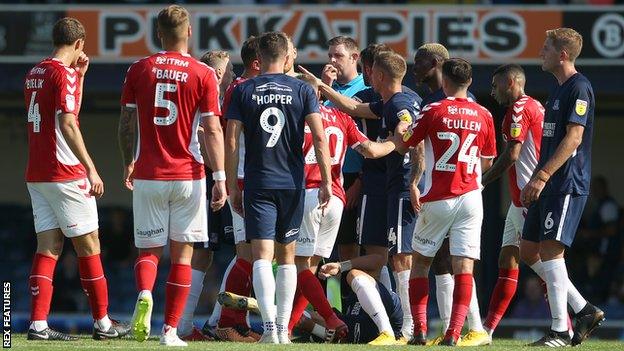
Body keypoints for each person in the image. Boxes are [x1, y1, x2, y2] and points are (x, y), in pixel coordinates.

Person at [118, 5, 226, 346]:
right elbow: (211, 129)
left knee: (148, 252)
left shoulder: (139, 69)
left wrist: (127, 162)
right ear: (189, 32)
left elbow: (125, 122)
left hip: (148, 172)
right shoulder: (204, 73)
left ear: (158, 33)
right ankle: (169, 331)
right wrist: (220, 176)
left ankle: (145, 294)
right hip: (189, 175)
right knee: (183, 254)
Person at [300, 51, 422, 342]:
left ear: (378, 75)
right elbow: (355, 109)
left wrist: (396, 145)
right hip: (365, 190)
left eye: (371, 72)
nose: (368, 77)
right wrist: (324, 85)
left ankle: (407, 328)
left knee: (402, 258)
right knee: (386, 258)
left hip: (392, 185)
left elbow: (407, 139)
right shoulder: (388, 102)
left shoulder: (400, 104)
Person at [24, 17, 129, 342]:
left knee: (49, 247)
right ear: (80, 44)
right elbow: (69, 123)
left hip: (38, 174)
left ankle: (38, 325)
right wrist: (90, 168)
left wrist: (81, 77)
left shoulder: (35, 73)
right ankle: (103, 323)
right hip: (65, 173)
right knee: (90, 245)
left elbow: (67, 112)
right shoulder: (61, 74)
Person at [224, 31, 332, 344]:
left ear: (259, 55)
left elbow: (232, 140)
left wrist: (232, 186)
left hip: (258, 182)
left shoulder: (243, 90)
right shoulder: (302, 89)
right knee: (287, 258)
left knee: (260, 256)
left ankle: (270, 328)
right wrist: (325, 181)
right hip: (293, 184)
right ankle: (284, 329)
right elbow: (320, 136)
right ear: (286, 56)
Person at [288, 74, 400, 341]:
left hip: (310, 191)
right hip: (336, 199)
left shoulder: (296, 116)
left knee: (298, 266)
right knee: (310, 268)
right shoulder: (342, 118)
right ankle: (289, 328)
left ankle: (330, 318)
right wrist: (396, 143)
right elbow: (370, 150)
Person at [402, 58, 497, 346]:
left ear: (444, 81)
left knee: (420, 263)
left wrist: (406, 125)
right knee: (464, 267)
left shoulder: (433, 109)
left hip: (439, 196)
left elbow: (408, 141)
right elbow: (488, 161)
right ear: (469, 83)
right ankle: (455, 333)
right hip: (471, 197)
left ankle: (419, 330)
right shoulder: (484, 114)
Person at [520, 27, 604, 347]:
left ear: (563, 54)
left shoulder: (579, 87)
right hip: (548, 181)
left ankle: (559, 330)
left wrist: (542, 176)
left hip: (565, 182)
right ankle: (583, 309)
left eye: (546, 48)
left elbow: (574, 138)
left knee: (552, 251)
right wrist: (538, 177)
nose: (541, 52)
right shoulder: (557, 89)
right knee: (529, 251)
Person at [200, 37, 263, 343]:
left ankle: (223, 320)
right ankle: (221, 321)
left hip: (227, 180)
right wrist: (223, 181)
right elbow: (222, 139)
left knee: (249, 254)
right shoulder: (232, 94)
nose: (228, 76)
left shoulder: (234, 92)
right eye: (223, 72)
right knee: (245, 254)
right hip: (222, 181)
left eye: (228, 71)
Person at [478, 63, 544, 344]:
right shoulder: (536, 106)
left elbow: (512, 155)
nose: (492, 92)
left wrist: (481, 181)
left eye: (495, 86)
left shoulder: (519, 108)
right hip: (520, 202)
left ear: (511, 82)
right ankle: (488, 329)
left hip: (528, 199)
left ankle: (578, 311)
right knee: (508, 260)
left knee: (543, 263)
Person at [176, 49, 238, 342]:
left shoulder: (223, 97)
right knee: (202, 253)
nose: (233, 76)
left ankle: (212, 321)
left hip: (217, 178)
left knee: (243, 251)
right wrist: (221, 175)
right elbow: (204, 135)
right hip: (207, 178)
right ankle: (187, 324)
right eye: (228, 71)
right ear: (215, 74)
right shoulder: (203, 97)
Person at [322, 36, 367, 263]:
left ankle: (354, 298)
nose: (332, 61)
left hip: (354, 176)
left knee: (351, 248)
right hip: (327, 176)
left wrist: (360, 182)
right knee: (321, 249)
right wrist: (325, 88)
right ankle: (331, 298)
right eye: (330, 55)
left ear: (354, 57)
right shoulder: (324, 89)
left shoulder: (366, 89)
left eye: (338, 56)